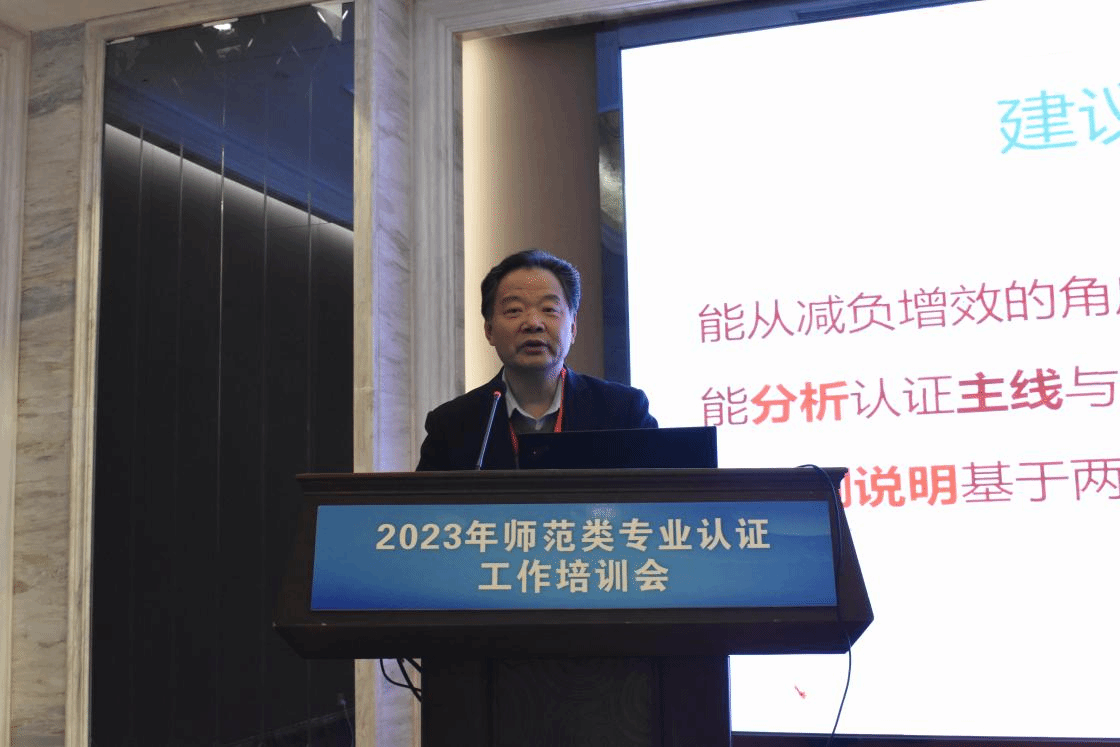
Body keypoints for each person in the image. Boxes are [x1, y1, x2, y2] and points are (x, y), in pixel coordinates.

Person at [417, 249, 657, 470]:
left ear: (573, 328)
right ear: (489, 330)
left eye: (549, 309)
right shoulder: (450, 426)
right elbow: (425, 503)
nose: (533, 323)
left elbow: (657, 496)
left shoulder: (624, 413)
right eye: (514, 310)